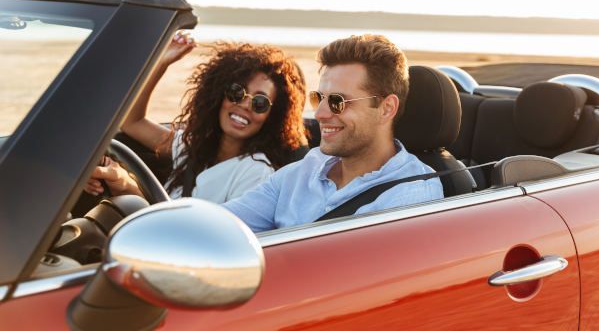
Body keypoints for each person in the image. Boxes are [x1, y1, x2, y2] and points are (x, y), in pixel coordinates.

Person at [223, 34, 443, 232]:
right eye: (318, 98)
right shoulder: (299, 174)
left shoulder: (411, 198)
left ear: (386, 109)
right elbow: (221, 223)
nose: (320, 113)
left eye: (338, 102)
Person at [86, 31, 308, 203]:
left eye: (260, 103)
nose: (244, 105)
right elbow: (132, 122)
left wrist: (126, 185)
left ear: (272, 116)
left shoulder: (255, 172)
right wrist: (162, 61)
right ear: (219, 95)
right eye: (236, 92)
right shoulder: (190, 146)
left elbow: (193, 237)